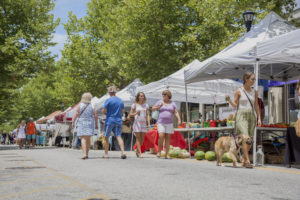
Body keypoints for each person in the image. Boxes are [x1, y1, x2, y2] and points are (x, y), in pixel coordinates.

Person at [226, 71, 262, 168]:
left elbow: (256, 105)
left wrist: (259, 117)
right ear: (246, 79)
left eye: (254, 79)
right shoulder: (239, 91)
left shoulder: (255, 91)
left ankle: (242, 158)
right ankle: (247, 161)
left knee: (249, 141)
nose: (254, 81)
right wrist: (229, 100)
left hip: (251, 116)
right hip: (241, 115)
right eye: (252, 79)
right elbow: (235, 105)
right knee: (245, 138)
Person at [152, 90, 181, 159]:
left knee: (168, 138)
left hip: (169, 123)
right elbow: (153, 108)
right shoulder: (160, 102)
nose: (163, 96)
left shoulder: (172, 103)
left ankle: (166, 154)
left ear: (168, 96)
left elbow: (176, 112)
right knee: (161, 136)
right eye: (163, 95)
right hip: (161, 122)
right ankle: (159, 151)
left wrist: (179, 119)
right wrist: (159, 106)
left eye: (165, 95)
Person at [102, 85, 126, 159]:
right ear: (115, 92)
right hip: (118, 121)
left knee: (106, 137)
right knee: (118, 136)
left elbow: (104, 111)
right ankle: (123, 151)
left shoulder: (108, 100)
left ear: (109, 92)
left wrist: (107, 113)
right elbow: (122, 112)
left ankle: (106, 154)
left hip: (110, 120)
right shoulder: (120, 100)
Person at [72, 93, 98, 159]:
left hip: (81, 122)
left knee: (83, 138)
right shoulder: (92, 105)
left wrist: (73, 122)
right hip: (90, 122)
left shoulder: (80, 105)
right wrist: (96, 124)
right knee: (88, 138)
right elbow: (95, 115)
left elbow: (76, 114)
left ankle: (84, 153)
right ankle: (87, 153)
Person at [130, 92, 150, 158]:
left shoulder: (146, 105)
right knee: (138, 138)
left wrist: (149, 123)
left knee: (142, 139)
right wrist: (136, 113)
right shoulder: (135, 105)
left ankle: (137, 151)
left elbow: (147, 115)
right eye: (140, 96)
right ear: (138, 97)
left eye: (142, 96)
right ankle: (140, 153)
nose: (141, 97)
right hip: (137, 123)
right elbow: (130, 114)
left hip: (143, 123)